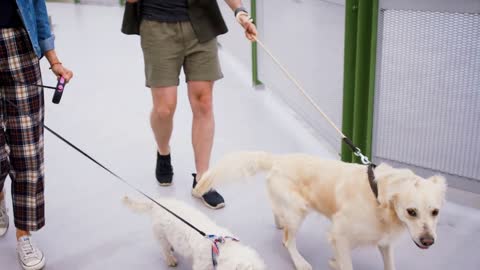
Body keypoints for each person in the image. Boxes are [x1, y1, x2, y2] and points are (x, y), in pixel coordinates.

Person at [130, 0, 257, 209]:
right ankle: (163, 152)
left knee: (204, 102)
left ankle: (203, 180)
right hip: (157, 27)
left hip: (201, 25)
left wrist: (240, 12)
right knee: (164, 109)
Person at [0, 1, 73, 269]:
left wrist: (54, 59)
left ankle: (24, 234)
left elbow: (37, 6)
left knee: (27, 149)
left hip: (20, 47)